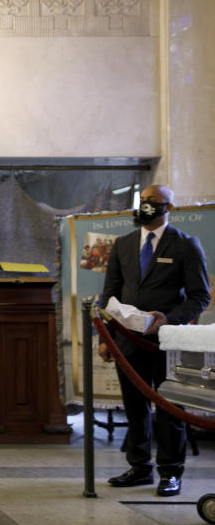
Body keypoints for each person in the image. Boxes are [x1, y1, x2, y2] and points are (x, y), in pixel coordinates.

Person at [99, 185, 210, 496]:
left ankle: (170, 472)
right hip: (128, 340)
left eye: (154, 202)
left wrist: (167, 318)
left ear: (169, 208)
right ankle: (139, 467)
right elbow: (110, 293)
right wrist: (105, 337)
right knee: (134, 408)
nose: (147, 206)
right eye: (143, 201)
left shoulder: (186, 245)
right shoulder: (123, 244)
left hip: (168, 342)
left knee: (169, 408)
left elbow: (200, 296)